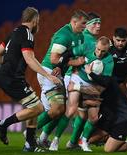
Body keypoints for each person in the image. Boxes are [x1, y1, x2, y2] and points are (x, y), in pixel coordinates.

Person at [0, 7, 62, 152]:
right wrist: (48, 76)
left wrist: (6, 65)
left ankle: (30, 144)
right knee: (38, 108)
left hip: (5, 76)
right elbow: (30, 60)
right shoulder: (27, 35)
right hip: (13, 78)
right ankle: (3, 124)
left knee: (35, 106)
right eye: (39, 20)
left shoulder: (14, 32)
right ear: (35, 20)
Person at [49, 36, 113, 151]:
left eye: (103, 51)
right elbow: (68, 53)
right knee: (71, 110)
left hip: (93, 84)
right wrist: (60, 65)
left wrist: (89, 87)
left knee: (93, 118)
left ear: (108, 49)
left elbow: (105, 82)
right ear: (95, 45)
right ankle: (55, 140)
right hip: (78, 78)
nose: (99, 53)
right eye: (98, 49)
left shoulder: (109, 60)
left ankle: (83, 142)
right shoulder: (86, 47)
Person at [35, 10, 88, 147]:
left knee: (55, 111)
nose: (85, 26)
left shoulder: (80, 36)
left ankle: (40, 138)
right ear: (74, 22)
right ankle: (29, 134)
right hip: (49, 72)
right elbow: (54, 59)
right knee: (58, 109)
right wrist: (75, 63)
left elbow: (74, 56)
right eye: (83, 23)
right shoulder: (64, 35)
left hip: (59, 74)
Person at [68, 63, 127, 153]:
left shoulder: (107, 80)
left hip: (124, 118)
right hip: (110, 116)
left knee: (108, 149)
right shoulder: (98, 80)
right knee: (87, 139)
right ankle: (109, 138)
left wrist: (75, 87)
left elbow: (95, 92)